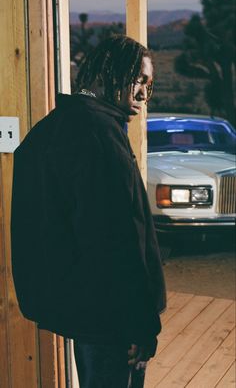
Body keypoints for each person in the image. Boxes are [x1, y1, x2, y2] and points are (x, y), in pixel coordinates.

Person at [11, 35, 166, 388]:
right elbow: (117, 240)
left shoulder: (54, 126)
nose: (144, 93)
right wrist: (141, 325)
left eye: (149, 84)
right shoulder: (99, 136)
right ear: (108, 71)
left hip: (86, 309)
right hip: (114, 316)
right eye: (138, 79)